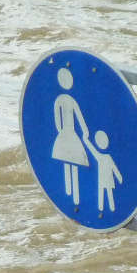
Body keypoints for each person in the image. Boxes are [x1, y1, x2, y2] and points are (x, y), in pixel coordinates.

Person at [50, 67, 89, 206]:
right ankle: (70, 195)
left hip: (68, 133)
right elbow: (58, 117)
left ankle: (74, 196)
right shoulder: (61, 100)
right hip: (68, 133)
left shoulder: (66, 100)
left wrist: (83, 130)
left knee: (72, 161)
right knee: (68, 161)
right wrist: (62, 131)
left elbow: (78, 116)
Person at [86, 130, 122, 213]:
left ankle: (109, 209)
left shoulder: (104, 157)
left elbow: (114, 168)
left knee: (107, 192)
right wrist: (86, 140)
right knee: (103, 192)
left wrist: (119, 177)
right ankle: (102, 208)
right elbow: (92, 150)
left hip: (106, 179)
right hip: (103, 179)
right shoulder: (102, 157)